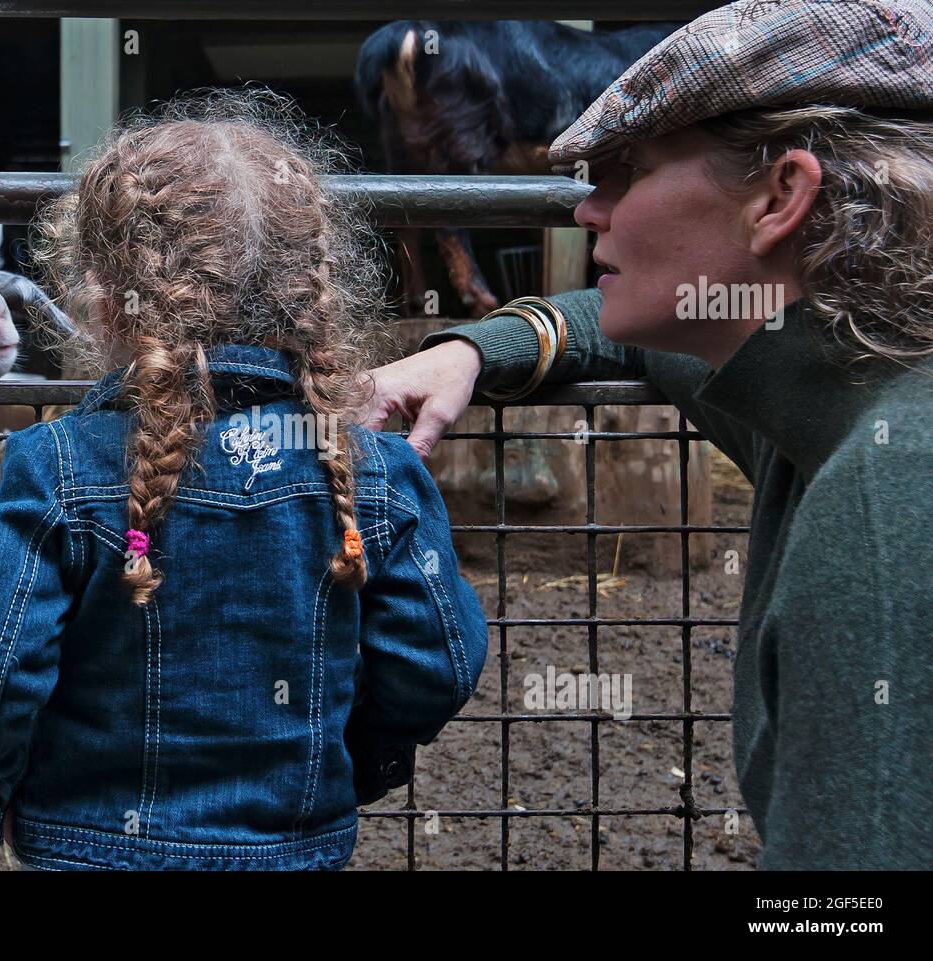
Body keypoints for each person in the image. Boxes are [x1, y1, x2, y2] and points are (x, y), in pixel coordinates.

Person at [360, 0, 933, 870]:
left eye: (626, 171)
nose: (588, 210)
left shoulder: (889, 495)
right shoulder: (826, 373)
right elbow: (621, 322)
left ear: (781, 195)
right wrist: (477, 346)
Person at [0, 91, 489, 871]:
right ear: (314, 285)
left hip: (85, 849)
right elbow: (436, 663)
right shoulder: (372, 471)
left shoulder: (60, 466)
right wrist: (336, 757)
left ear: (104, 293)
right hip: (296, 849)